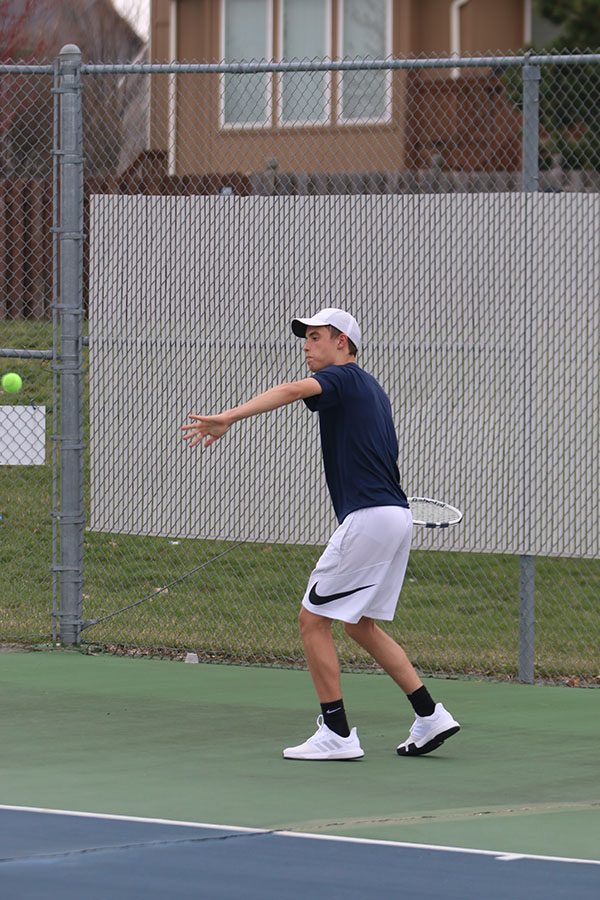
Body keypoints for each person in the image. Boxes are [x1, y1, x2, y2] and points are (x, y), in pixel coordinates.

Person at [182, 308, 460, 761]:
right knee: (358, 624)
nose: (307, 345)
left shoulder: (346, 378)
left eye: (316, 337)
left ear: (343, 344)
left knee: (313, 620)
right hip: (393, 515)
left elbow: (292, 390)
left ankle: (337, 733)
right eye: (305, 338)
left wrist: (228, 416)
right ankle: (430, 715)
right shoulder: (370, 387)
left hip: (371, 517)